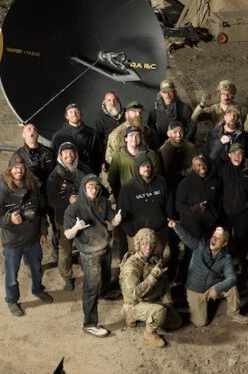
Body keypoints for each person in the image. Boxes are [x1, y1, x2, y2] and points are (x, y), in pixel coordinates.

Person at [0, 154, 53, 317]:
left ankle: (38, 289)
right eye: (15, 167)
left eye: (22, 167)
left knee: (37, 269)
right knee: (12, 275)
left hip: (33, 239)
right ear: (9, 169)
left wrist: (43, 231)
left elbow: (41, 211)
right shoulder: (1, 194)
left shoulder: (33, 189)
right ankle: (12, 300)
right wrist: (9, 219)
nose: (19, 170)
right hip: (13, 243)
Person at [64, 174, 122, 337]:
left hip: (105, 247)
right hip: (89, 253)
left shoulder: (103, 202)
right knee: (91, 288)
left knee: (106, 276)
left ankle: (104, 292)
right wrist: (76, 228)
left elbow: (112, 220)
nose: (94, 190)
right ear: (84, 188)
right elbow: (68, 235)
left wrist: (117, 220)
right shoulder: (74, 208)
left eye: (96, 187)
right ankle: (89, 324)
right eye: (90, 187)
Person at [169, 221, 248, 327]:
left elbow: (232, 277)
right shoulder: (200, 245)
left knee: (232, 288)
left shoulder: (226, 258)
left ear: (224, 243)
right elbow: (187, 238)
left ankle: (234, 313)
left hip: (211, 287)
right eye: (214, 236)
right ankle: (190, 303)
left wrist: (217, 288)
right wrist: (177, 226)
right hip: (195, 289)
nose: (214, 239)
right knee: (200, 323)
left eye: (218, 238)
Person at [119, 228, 182, 348]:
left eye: (151, 244)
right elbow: (134, 294)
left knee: (176, 322)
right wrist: (153, 275)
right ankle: (148, 332)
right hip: (135, 303)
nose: (148, 248)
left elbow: (164, 280)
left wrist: (167, 300)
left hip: (151, 297)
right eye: (144, 244)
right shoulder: (132, 266)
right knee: (160, 312)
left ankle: (151, 314)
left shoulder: (153, 258)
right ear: (138, 245)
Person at [46, 142, 92, 290]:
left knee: (85, 246)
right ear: (60, 156)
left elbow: (94, 188)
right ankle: (66, 276)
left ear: (76, 154)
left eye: (71, 152)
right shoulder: (54, 176)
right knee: (65, 250)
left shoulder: (83, 171)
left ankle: (88, 271)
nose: (69, 156)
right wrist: (68, 200)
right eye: (65, 153)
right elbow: (51, 200)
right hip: (63, 219)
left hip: (83, 217)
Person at [12, 123, 56, 256]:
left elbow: (56, 173)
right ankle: (32, 257)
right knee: (32, 226)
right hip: (31, 197)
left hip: (50, 194)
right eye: (28, 129)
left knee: (57, 224)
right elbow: (12, 178)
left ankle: (57, 251)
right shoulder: (18, 156)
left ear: (37, 134)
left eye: (35, 129)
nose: (32, 131)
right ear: (23, 134)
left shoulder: (48, 152)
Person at [118, 154, 173, 258]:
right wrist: (132, 233)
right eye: (143, 166)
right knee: (138, 264)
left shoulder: (161, 182)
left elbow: (169, 203)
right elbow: (122, 213)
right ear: (137, 168)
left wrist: (166, 224)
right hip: (138, 236)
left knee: (158, 262)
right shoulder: (127, 188)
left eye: (149, 166)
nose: (147, 168)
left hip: (159, 233)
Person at [218, 143, 248, 274]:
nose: (237, 156)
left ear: (244, 156)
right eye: (234, 153)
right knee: (225, 237)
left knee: (243, 237)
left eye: (240, 153)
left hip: (242, 211)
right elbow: (219, 188)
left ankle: (241, 261)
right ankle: (226, 262)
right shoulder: (224, 168)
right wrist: (222, 206)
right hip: (226, 211)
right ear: (229, 155)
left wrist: (246, 206)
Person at [175, 155, 220, 240]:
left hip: (210, 224)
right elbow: (178, 206)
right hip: (192, 226)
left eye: (204, 164)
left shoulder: (214, 181)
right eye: (198, 165)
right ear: (193, 167)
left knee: (209, 246)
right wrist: (195, 208)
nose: (202, 167)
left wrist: (215, 214)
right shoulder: (184, 184)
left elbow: (218, 200)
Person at [51, 103, 104, 174]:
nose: (74, 114)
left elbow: (99, 154)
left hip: (90, 173)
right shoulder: (58, 136)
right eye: (71, 112)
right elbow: (54, 157)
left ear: (81, 114)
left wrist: (96, 170)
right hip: (69, 174)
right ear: (66, 116)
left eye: (76, 111)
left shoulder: (92, 132)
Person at [105, 101, 156, 165]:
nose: (138, 114)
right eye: (134, 111)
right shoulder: (117, 134)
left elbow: (153, 150)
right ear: (126, 115)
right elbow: (111, 158)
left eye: (140, 112)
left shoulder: (147, 130)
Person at [158, 121, 196, 197]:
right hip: (171, 185)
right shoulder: (163, 150)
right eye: (175, 132)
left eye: (181, 132)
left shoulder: (191, 147)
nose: (178, 135)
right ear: (169, 133)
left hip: (189, 182)